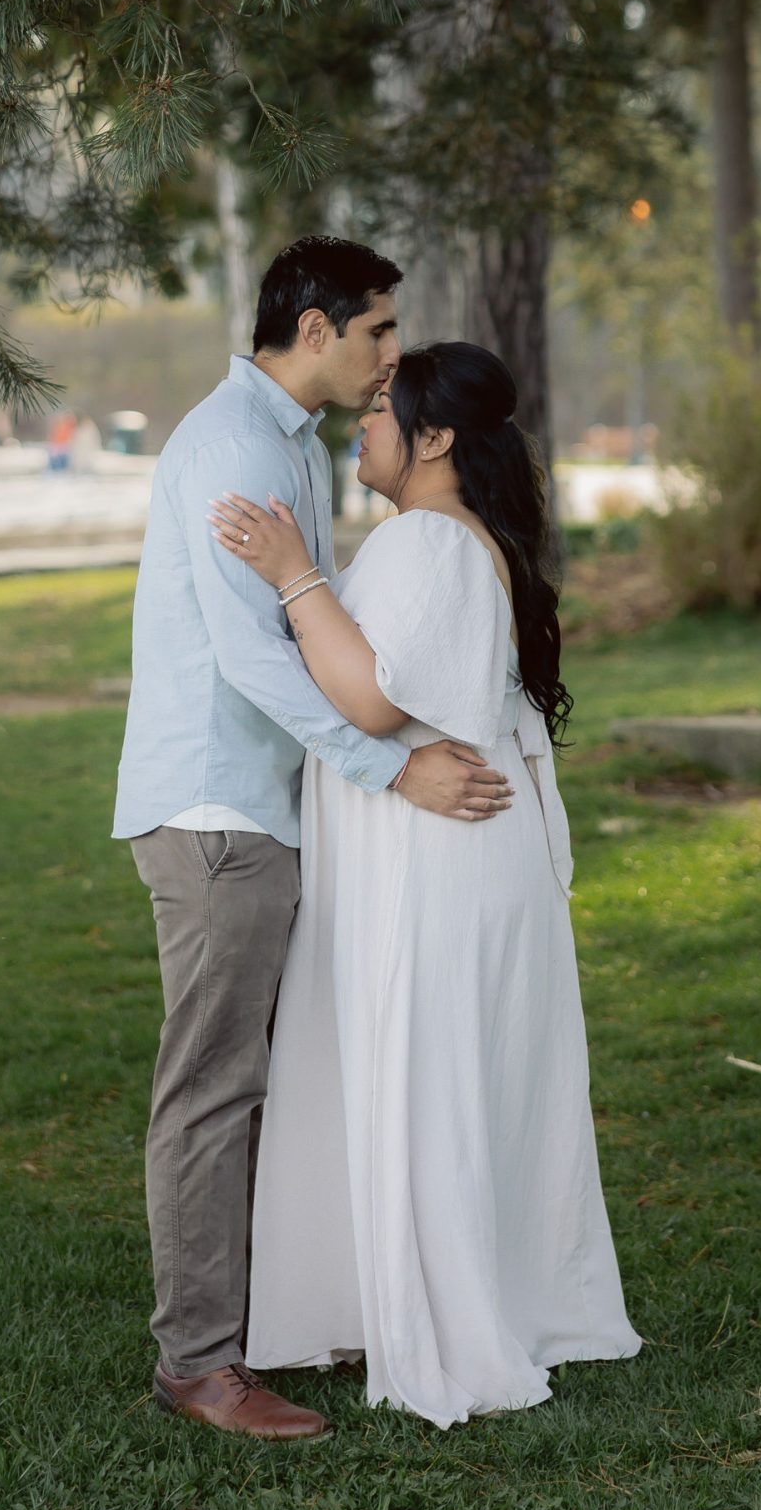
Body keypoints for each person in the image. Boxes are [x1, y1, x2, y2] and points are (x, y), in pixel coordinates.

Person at [113, 241, 515, 1444]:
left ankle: (265, 1322)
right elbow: (253, 656)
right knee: (212, 1088)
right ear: (317, 328)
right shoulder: (234, 449)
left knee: (254, 1083)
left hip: (263, 806)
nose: (392, 353)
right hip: (217, 810)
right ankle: (199, 1366)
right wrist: (391, 767)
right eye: (379, 329)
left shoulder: (290, 442)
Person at [210, 341, 642, 1428]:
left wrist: (293, 575)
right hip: (459, 843)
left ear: (435, 437)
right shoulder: (461, 536)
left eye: (384, 409)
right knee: (458, 1074)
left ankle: (443, 1312)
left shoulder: (427, 540)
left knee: (428, 1070)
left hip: (438, 856)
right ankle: (459, 1290)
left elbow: (369, 700)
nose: (363, 420)